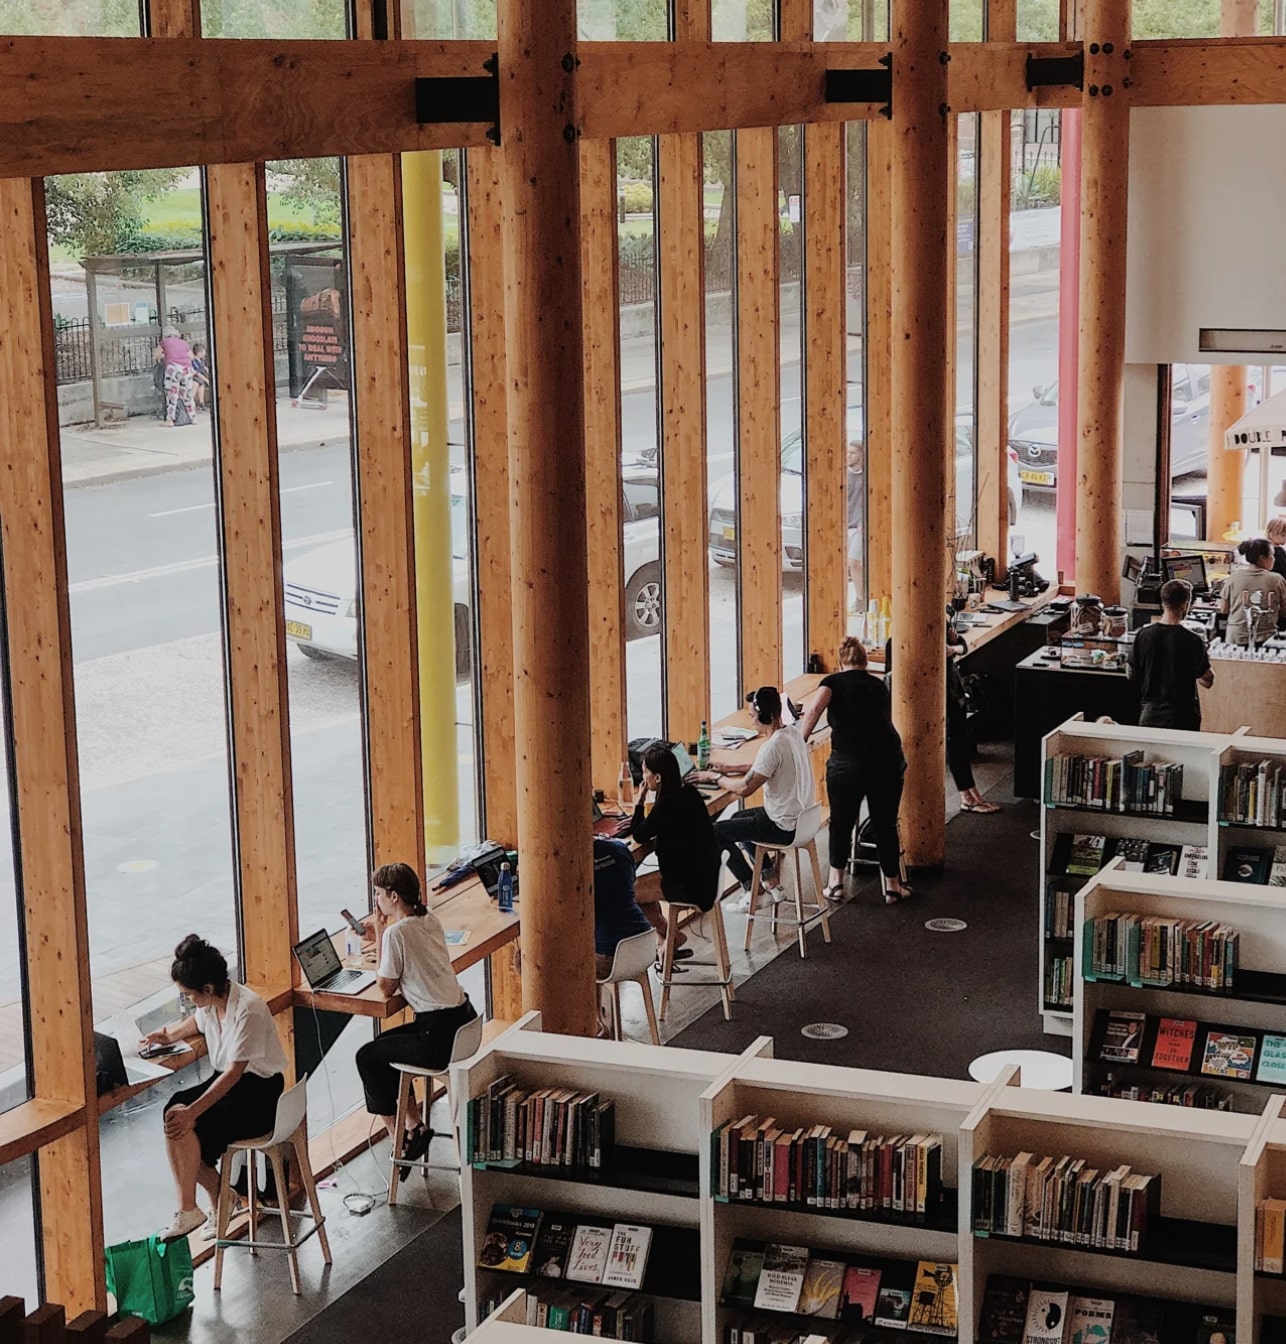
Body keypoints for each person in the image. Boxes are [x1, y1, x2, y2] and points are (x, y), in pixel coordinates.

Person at [145, 934, 288, 1242]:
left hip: (260, 1094)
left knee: (190, 1125)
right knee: (173, 1111)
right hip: (232, 1082)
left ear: (207, 989)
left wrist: (193, 1113)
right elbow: (195, 1024)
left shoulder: (247, 1009)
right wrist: (167, 1035)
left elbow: (236, 1073)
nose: (187, 1000)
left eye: (188, 994)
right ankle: (196, 1207)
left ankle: (212, 1204)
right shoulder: (211, 1002)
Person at [355, 862, 477, 1160]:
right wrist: (384, 932)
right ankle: (414, 1127)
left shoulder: (397, 934)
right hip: (463, 1021)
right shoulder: (429, 919)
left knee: (368, 1058)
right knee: (385, 1049)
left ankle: (401, 1138)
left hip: (436, 1039)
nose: (376, 901)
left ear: (393, 896)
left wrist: (384, 934)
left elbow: (385, 987)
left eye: (378, 894)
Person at [798, 637, 912, 904]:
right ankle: (893, 886)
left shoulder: (832, 683)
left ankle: (836, 884)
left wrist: (799, 741)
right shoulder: (878, 685)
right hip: (886, 760)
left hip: (847, 762)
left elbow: (815, 709)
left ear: (840, 663)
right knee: (885, 823)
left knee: (841, 823)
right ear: (864, 662)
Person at [712, 686, 815, 906]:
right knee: (737, 819)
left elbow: (743, 789)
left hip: (784, 827)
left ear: (765, 716)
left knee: (714, 833)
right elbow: (764, 767)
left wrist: (715, 778)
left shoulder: (772, 747)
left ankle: (753, 890)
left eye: (752, 716)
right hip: (803, 819)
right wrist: (729, 767)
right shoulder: (792, 733)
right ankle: (770, 881)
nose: (751, 722)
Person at [633, 741, 722, 938]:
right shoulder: (690, 793)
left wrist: (639, 801)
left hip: (691, 887)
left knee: (632, 891)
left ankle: (671, 936)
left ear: (657, 777)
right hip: (710, 879)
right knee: (646, 885)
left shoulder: (665, 806)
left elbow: (639, 834)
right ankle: (665, 944)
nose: (643, 777)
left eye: (645, 772)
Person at [1128, 578, 1214, 730]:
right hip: (1183, 717)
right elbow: (1207, 681)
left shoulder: (1143, 635)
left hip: (1150, 714)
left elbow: (1132, 674)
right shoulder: (1193, 640)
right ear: (1186, 604)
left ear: (1163, 603)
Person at [592, 835, 656, 981]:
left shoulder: (570, 866)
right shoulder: (618, 848)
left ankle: (592, 1004)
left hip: (608, 956)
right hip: (645, 944)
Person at [1221, 537, 1286, 646]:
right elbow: (1284, 611)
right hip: (1265, 638)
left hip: (1235, 637)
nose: (1274, 559)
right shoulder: (1277, 580)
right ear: (1262, 558)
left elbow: (1223, 609)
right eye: (1271, 555)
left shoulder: (1234, 577)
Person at [154, 327, 196, 426]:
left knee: (172, 395)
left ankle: (170, 420)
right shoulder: (183, 343)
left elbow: (156, 355)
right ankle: (193, 418)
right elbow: (191, 356)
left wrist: (164, 356)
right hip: (186, 369)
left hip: (173, 368)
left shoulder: (164, 342)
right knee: (187, 395)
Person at [847, 439, 864, 616]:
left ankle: (860, 599)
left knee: (854, 561)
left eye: (852, 453)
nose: (848, 456)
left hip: (860, 526)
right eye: (848, 452)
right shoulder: (844, 474)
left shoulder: (866, 476)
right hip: (846, 523)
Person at [190, 341, 211, 412]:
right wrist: (206, 380)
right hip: (196, 378)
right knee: (200, 383)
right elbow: (197, 372)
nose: (205, 353)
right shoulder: (194, 361)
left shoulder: (201, 361)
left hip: (200, 379)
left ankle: (201, 402)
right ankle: (198, 402)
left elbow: (203, 368)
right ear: (199, 353)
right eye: (204, 352)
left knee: (201, 384)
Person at [1268, 516, 1286, 581]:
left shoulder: (1264, 548)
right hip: (1279, 581)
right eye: (1283, 535)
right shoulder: (1279, 551)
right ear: (1272, 534)